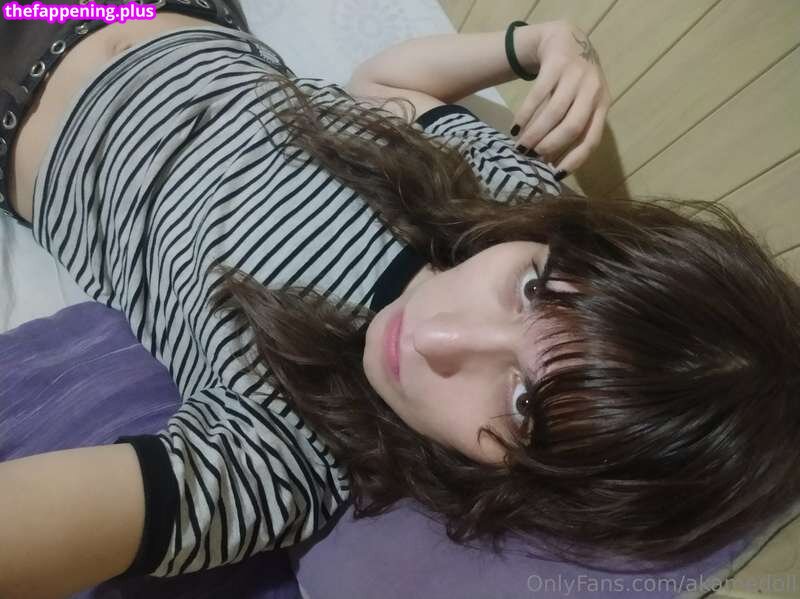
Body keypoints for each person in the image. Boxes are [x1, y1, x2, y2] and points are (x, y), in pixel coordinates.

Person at [2, 4, 800, 598]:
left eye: (522, 404)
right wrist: (541, 44)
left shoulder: (283, 459)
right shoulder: (505, 208)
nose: (437, 336)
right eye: (531, 292)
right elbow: (383, 85)